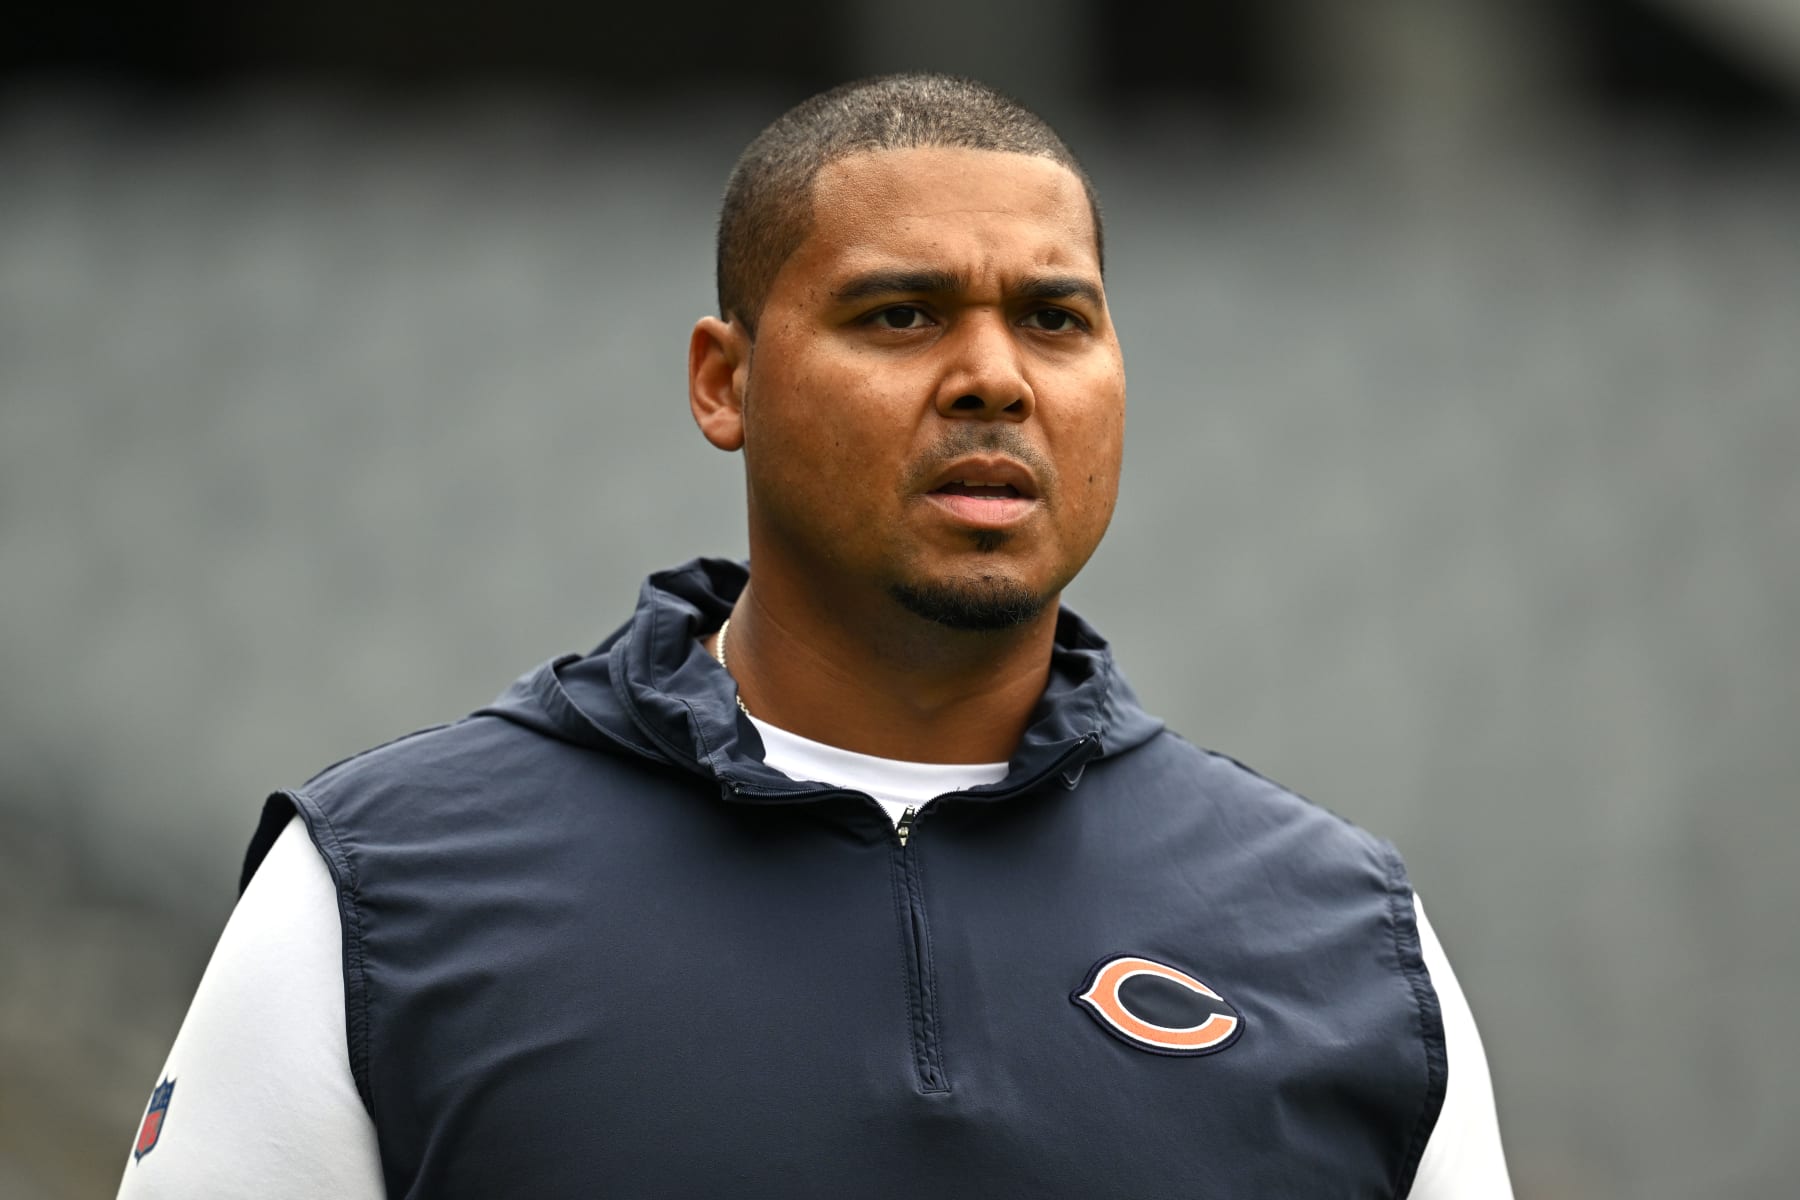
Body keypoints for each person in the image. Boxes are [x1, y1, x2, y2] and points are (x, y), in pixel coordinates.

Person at [118, 74, 1513, 1198]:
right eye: (901, 314)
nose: (992, 377)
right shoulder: (380, 891)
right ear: (726, 382)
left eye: (1055, 319)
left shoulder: (1343, 936)